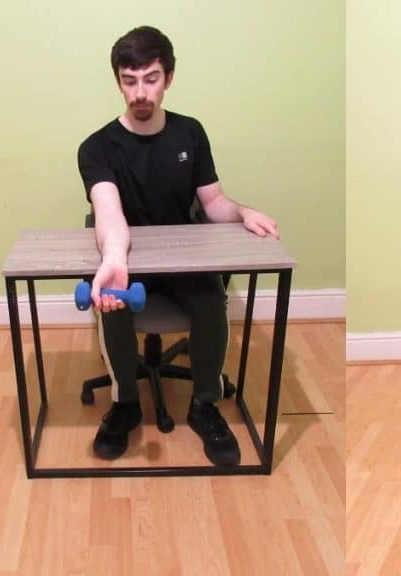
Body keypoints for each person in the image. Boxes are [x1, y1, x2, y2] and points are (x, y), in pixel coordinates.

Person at [77, 26, 279, 465]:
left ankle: (205, 404)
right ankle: (125, 404)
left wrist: (243, 213)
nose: (140, 92)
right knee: (111, 303)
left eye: (150, 78)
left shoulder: (190, 133)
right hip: (130, 261)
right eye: (129, 81)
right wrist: (114, 257)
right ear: (118, 82)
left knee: (211, 297)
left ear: (168, 77)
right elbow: (108, 210)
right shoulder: (97, 147)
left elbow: (214, 202)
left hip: (185, 260)